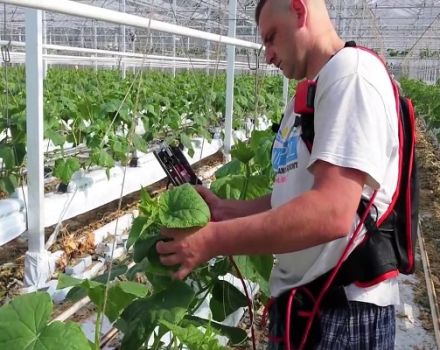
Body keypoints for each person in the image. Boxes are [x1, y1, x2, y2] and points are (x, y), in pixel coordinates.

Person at [156, 0, 399, 348]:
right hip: (305, 306)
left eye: (271, 38)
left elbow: (331, 213)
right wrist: (224, 211)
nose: (267, 55)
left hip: (342, 314)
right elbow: (291, 197)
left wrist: (212, 240)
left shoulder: (352, 77)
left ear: (300, 10)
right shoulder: (312, 90)